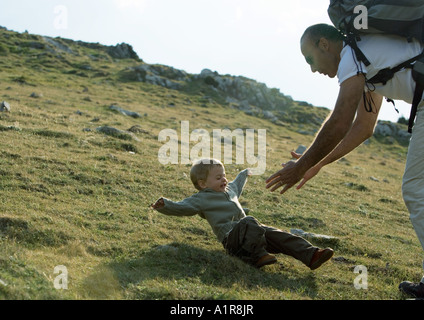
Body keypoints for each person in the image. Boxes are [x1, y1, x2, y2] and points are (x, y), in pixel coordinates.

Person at [265, 23, 424, 298]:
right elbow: (363, 127)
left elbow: (340, 121)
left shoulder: (351, 56)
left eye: (310, 58)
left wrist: (300, 166)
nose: (313, 69)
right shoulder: (364, 60)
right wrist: (317, 163)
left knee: (415, 189)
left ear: (324, 44)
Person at [151, 158, 334, 270]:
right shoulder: (201, 199)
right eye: (218, 178)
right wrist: (164, 205)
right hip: (232, 239)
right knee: (249, 221)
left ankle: (312, 255)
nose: (224, 179)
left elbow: (236, 184)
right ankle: (257, 256)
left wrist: (243, 173)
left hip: (250, 234)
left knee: (277, 234)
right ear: (203, 184)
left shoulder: (229, 189)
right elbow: (182, 207)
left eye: (224, 175)